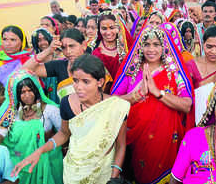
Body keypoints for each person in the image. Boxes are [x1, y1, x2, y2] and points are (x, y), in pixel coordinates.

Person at [12, 54, 130, 183]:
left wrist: (114, 176)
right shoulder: (66, 103)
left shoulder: (116, 107)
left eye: (86, 81)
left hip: (104, 173)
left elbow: (120, 145)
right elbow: (64, 133)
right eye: (75, 80)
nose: (78, 87)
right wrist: (39, 151)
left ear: (100, 82)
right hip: (74, 172)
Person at [111, 26, 194, 184]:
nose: (151, 49)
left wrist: (158, 92)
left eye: (156, 44)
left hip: (168, 140)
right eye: (146, 44)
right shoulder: (132, 70)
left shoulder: (174, 71)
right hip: (138, 139)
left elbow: (186, 105)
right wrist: (136, 96)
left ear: (164, 47)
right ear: (140, 46)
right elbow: (113, 102)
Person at [0, 70, 63, 184]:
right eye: (22, 92)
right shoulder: (12, 113)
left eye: (30, 90)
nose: (27, 95)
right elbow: (1, 132)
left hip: (46, 161)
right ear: (17, 95)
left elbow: (63, 133)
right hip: (20, 162)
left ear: (36, 90)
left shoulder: (50, 111)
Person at [22, 28, 87, 101]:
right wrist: (49, 50)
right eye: (64, 48)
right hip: (66, 111)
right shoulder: (59, 65)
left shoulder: (94, 64)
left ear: (84, 45)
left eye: (72, 46)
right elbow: (25, 69)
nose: (68, 51)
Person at [91, 11, 133, 80]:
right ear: (99, 30)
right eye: (104, 28)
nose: (108, 32)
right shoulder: (94, 48)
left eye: (112, 28)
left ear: (118, 28)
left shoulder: (127, 46)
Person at [31, 28, 60, 103]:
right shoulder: (33, 60)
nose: (43, 43)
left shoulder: (59, 56)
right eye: (39, 40)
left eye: (45, 39)